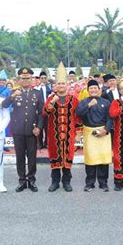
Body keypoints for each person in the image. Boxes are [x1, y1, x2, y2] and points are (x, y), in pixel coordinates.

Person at [2, 67, 44, 192]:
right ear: (19, 80)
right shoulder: (13, 92)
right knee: (20, 156)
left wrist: (39, 127)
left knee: (32, 157)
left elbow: (41, 113)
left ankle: (31, 180)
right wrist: (12, 96)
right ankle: (21, 180)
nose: (25, 80)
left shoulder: (37, 93)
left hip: (32, 130)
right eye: (23, 78)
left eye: (28, 78)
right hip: (18, 129)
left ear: (31, 79)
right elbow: (4, 105)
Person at [43, 62, 82, 192]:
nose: (60, 85)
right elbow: (44, 113)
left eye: (63, 83)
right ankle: (55, 182)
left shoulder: (74, 99)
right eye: (58, 83)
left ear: (66, 85)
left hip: (69, 134)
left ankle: (66, 182)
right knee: (55, 156)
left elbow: (78, 117)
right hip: (54, 135)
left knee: (67, 157)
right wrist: (52, 102)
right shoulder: (51, 98)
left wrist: (78, 132)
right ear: (55, 85)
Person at [76, 79, 113, 192]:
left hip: (103, 133)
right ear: (88, 90)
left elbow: (110, 118)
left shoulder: (106, 102)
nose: (93, 90)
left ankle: (103, 183)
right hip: (89, 133)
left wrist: (106, 130)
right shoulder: (83, 102)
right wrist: (88, 105)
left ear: (99, 90)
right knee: (90, 159)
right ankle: (90, 183)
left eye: (95, 88)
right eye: (91, 88)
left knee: (103, 159)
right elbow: (78, 114)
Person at [35, 71, 52, 149]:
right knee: (40, 127)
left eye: (45, 78)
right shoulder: (36, 88)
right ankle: (40, 143)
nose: (43, 80)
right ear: (39, 79)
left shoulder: (50, 88)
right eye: (42, 78)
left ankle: (47, 143)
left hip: (48, 111)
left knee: (48, 128)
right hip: (39, 111)